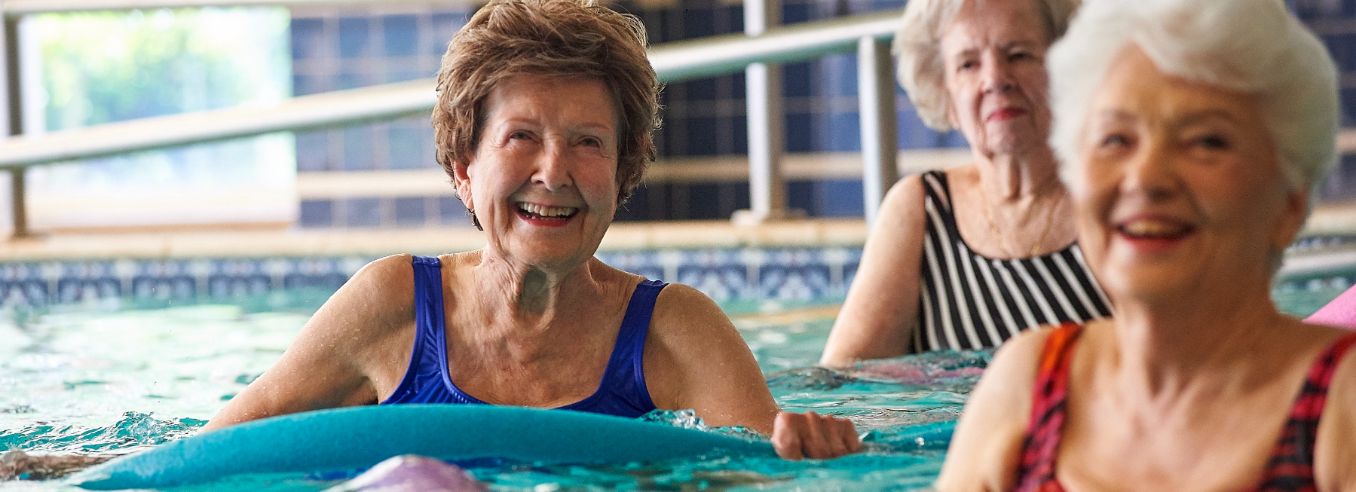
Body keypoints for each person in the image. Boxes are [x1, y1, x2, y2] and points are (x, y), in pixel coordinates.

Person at [204, 0, 859, 461]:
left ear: (623, 169)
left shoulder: (676, 331)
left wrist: (811, 450)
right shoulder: (392, 307)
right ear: (464, 167)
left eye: (588, 143)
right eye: (522, 137)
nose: (553, 172)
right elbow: (217, 455)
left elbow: (766, 469)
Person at [938, 0, 1356, 488]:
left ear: (1288, 204)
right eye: (1115, 139)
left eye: (1206, 141)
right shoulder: (1028, 385)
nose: (1147, 178)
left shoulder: (1338, 407)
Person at [820, 0, 1112, 366]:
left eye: (1018, 54)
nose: (995, 79)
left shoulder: (1111, 196)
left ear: (1066, 68)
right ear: (946, 95)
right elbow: (842, 382)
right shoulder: (921, 210)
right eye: (968, 64)